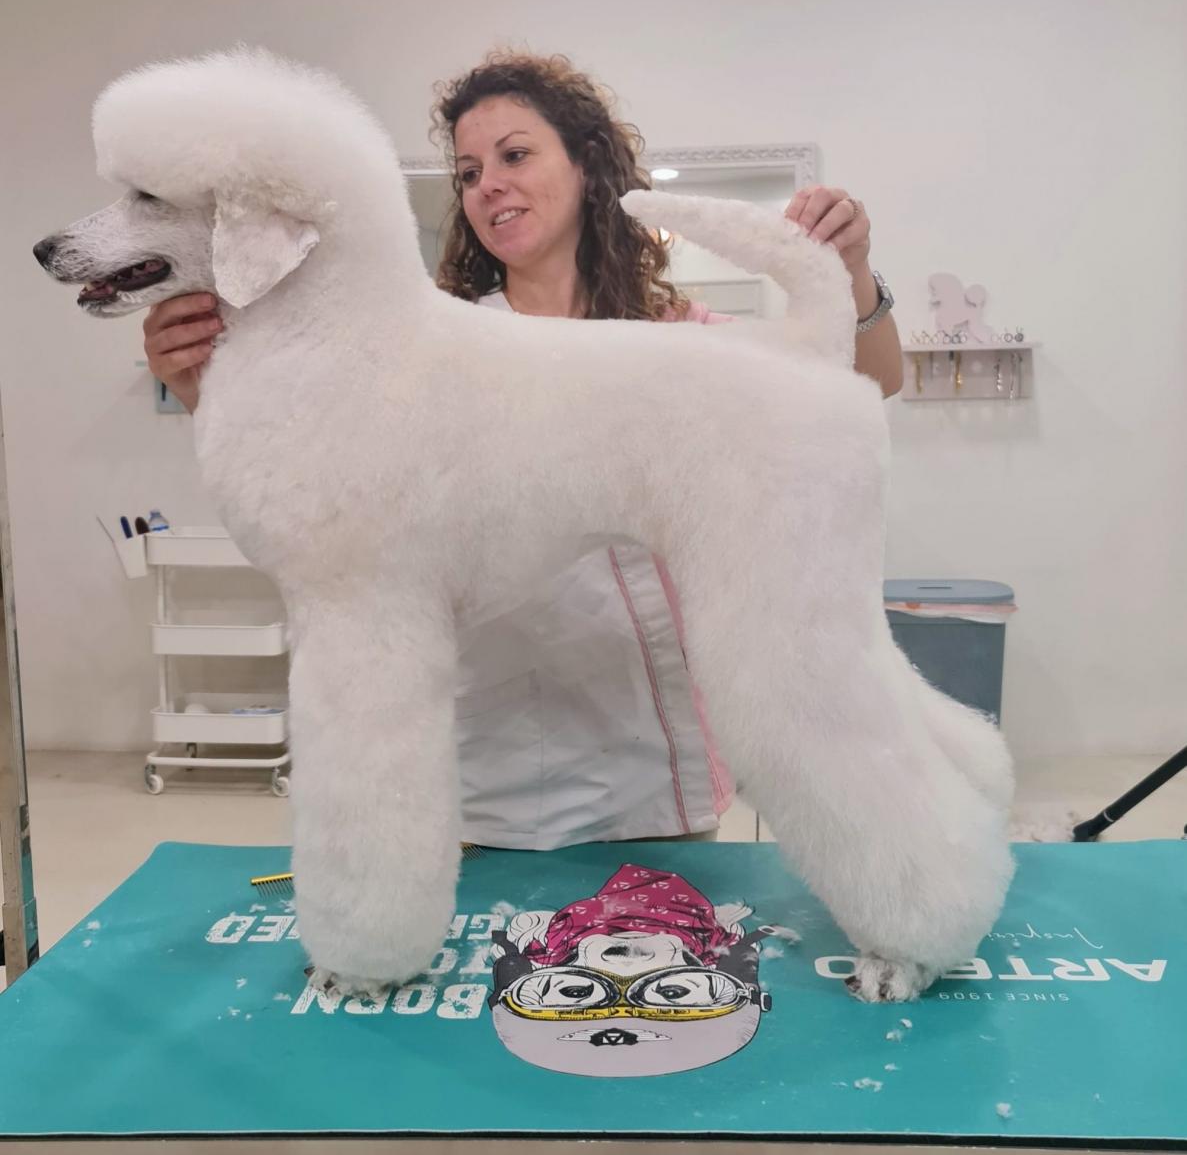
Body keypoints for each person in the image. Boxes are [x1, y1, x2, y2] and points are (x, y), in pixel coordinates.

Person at [144, 52, 902, 847]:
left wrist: (847, 274)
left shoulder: (675, 339)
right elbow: (329, 499)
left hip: (648, 770)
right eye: (467, 173)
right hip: (483, 771)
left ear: (583, 166)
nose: (487, 186)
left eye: (514, 155)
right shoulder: (421, 353)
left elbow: (868, 379)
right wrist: (207, 387)